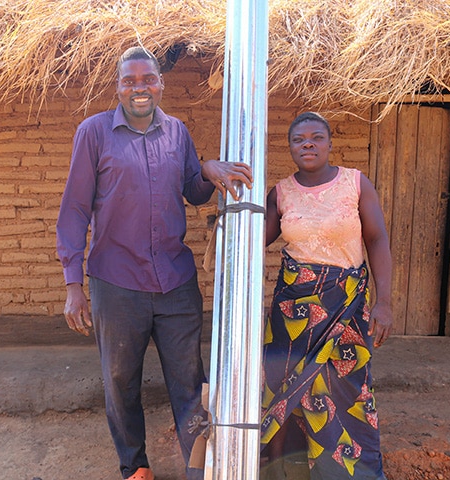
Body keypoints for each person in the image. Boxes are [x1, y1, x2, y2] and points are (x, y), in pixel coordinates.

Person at [56, 46, 252, 480]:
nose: (139, 88)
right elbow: (74, 210)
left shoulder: (177, 132)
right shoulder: (94, 133)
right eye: (130, 80)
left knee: (190, 383)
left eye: (148, 79)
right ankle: (135, 466)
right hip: (116, 282)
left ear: (160, 84)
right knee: (120, 382)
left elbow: (194, 191)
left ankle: (198, 467)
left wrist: (208, 170)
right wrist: (73, 284)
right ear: (118, 87)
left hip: (175, 282)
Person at [260, 112, 393, 479]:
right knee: (287, 387)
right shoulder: (282, 192)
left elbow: (377, 239)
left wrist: (384, 302)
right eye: (299, 139)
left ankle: (354, 472)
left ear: (330, 143)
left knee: (349, 390)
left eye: (316, 137)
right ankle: (292, 470)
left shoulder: (355, 184)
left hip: (346, 307)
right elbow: (259, 238)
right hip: (293, 314)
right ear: (289, 147)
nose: (308, 144)